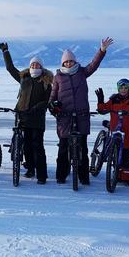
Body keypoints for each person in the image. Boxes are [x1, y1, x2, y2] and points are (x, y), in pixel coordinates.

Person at [49, 37, 113, 184]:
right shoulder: (58, 77)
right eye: (66, 61)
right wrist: (53, 107)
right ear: (62, 63)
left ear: (75, 61)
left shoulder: (82, 72)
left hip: (81, 115)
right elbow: (52, 96)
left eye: (71, 61)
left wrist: (102, 50)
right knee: (64, 148)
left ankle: (83, 177)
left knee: (82, 148)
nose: (69, 63)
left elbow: (94, 65)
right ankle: (61, 175)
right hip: (65, 117)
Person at [0, 42, 53, 184]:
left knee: (38, 145)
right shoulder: (24, 78)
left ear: (42, 67)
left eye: (37, 65)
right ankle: (30, 169)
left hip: (37, 118)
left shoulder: (47, 82)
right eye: (33, 65)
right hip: (23, 116)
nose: (35, 67)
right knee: (27, 145)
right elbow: (10, 68)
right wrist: (5, 51)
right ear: (30, 66)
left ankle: (42, 175)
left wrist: (35, 108)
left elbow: (47, 101)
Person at [95, 78, 129, 184]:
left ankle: (126, 177)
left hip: (127, 131)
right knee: (115, 151)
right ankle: (116, 171)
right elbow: (102, 109)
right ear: (118, 89)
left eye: (126, 88)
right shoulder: (114, 99)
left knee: (126, 153)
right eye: (121, 88)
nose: (123, 90)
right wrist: (100, 100)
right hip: (115, 128)